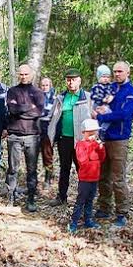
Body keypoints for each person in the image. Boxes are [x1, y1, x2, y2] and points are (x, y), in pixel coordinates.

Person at [93, 61, 133, 228]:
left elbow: (125, 114)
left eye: (120, 71)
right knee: (102, 175)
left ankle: (122, 212)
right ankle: (104, 207)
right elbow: (99, 103)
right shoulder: (110, 88)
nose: (117, 74)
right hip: (103, 136)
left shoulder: (132, 92)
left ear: (127, 72)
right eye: (115, 71)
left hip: (119, 139)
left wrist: (102, 117)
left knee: (117, 178)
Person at [5, 64, 47, 211]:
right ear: (18, 75)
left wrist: (20, 109)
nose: (23, 76)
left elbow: (38, 112)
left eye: (26, 74)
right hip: (14, 135)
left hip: (32, 136)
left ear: (32, 75)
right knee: (13, 169)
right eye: (21, 74)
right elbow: (12, 109)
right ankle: (11, 197)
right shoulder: (12, 91)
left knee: (32, 169)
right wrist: (29, 107)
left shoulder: (38, 92)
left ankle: (31, 199)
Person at [47, 69, 91, 205]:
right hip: (64, 139)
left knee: (82, 169)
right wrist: (50, 136)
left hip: (81, 140)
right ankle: (61, 197)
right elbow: (53, 118)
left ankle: (84, 198)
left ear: (79, 80)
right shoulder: (61, 98)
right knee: (64, 168)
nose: (70, 82)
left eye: (73, 79)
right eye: (68, 80)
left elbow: (94, 118)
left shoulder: (87, 98)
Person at [69, 119, 106, 232]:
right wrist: (91, 146)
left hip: (94, 178)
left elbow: (102, 158)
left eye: (94, 133)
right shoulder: (80, 145)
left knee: (90, 201)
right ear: (84, 133)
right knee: (81, 201)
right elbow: (82, 160)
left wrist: (100, 148)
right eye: (90, 133)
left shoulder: (96, 144)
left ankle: (88, 220)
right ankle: (74, 222)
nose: (92, 135)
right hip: (85, 179)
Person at [38, 77, 56, 187]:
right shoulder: (37, 97)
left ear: (50, 86)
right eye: (43, 85)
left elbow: (54, 114)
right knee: (33, 153)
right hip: (37, 126)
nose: (44, 87)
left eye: (46, 85)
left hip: (49, 127)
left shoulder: (55, 98)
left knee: (47, 153)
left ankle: (48, 178)